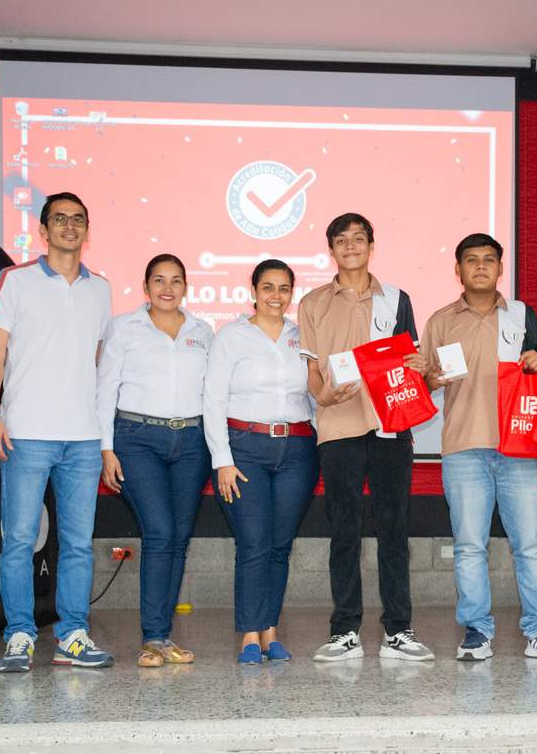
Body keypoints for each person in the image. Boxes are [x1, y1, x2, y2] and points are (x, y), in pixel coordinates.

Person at [0, 191, 114, 672]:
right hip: (26, 434)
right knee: (18, 539)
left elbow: (97, 362)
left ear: (86, 229)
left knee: (79, 543)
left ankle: (72, 635)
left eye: (78, 219)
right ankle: (18, 635)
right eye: (60, 219)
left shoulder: (100, 289)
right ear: (43, 230)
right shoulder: (14, 281)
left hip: (81, 437)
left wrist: (103, 437)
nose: (69, 226)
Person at [422, 233, 537, 662]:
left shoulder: (522, 315)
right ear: (458, 270)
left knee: (529, 544)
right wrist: (434, 380)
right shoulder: (441, 320)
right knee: (469, 546)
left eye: (489, 259)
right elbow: (423, 380)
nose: (481, 266)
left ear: (501, 268)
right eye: (471, 260)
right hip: (464, 447)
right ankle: (477, 631)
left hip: (519, 446)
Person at [297, 213, 434, 662]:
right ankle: (345, 631)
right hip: (337, 426)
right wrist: (324, 395)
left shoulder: (397, 298)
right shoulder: (313, 302)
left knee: (394, 528)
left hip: (390, 425)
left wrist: (421, 370)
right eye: (342, 240)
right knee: (344, 530)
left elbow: (408, 362)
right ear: (331, 249)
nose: (351, 246)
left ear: (372, 246)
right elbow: (313, 373)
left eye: (359, 238)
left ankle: (398, 629)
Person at [95, 254, 213, 667]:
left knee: (178, 538)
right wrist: (106, 449)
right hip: (136, 438)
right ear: (145, 286)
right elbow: (105, 389)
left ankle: (163, 637)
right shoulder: (124, 328)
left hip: (193, 441)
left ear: (185, 287)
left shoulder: (204, 331)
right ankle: (153, 636)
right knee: (160, 531)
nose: (167, 288)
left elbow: (212, 395)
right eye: (159, 280)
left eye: (175, 280)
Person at [203, 259, 319, 665]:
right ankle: (250, 635)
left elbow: (314, 395)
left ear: (292, 293)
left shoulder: (302, 336)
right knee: (253, 542)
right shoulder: (231, 337)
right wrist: (222, 460)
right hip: (245, 448)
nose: (276, 295)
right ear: (253, 291)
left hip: (298, 451)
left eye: (284, 288)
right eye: (267, 287)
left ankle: (271, 631)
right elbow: (212, 401)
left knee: (279, 546)